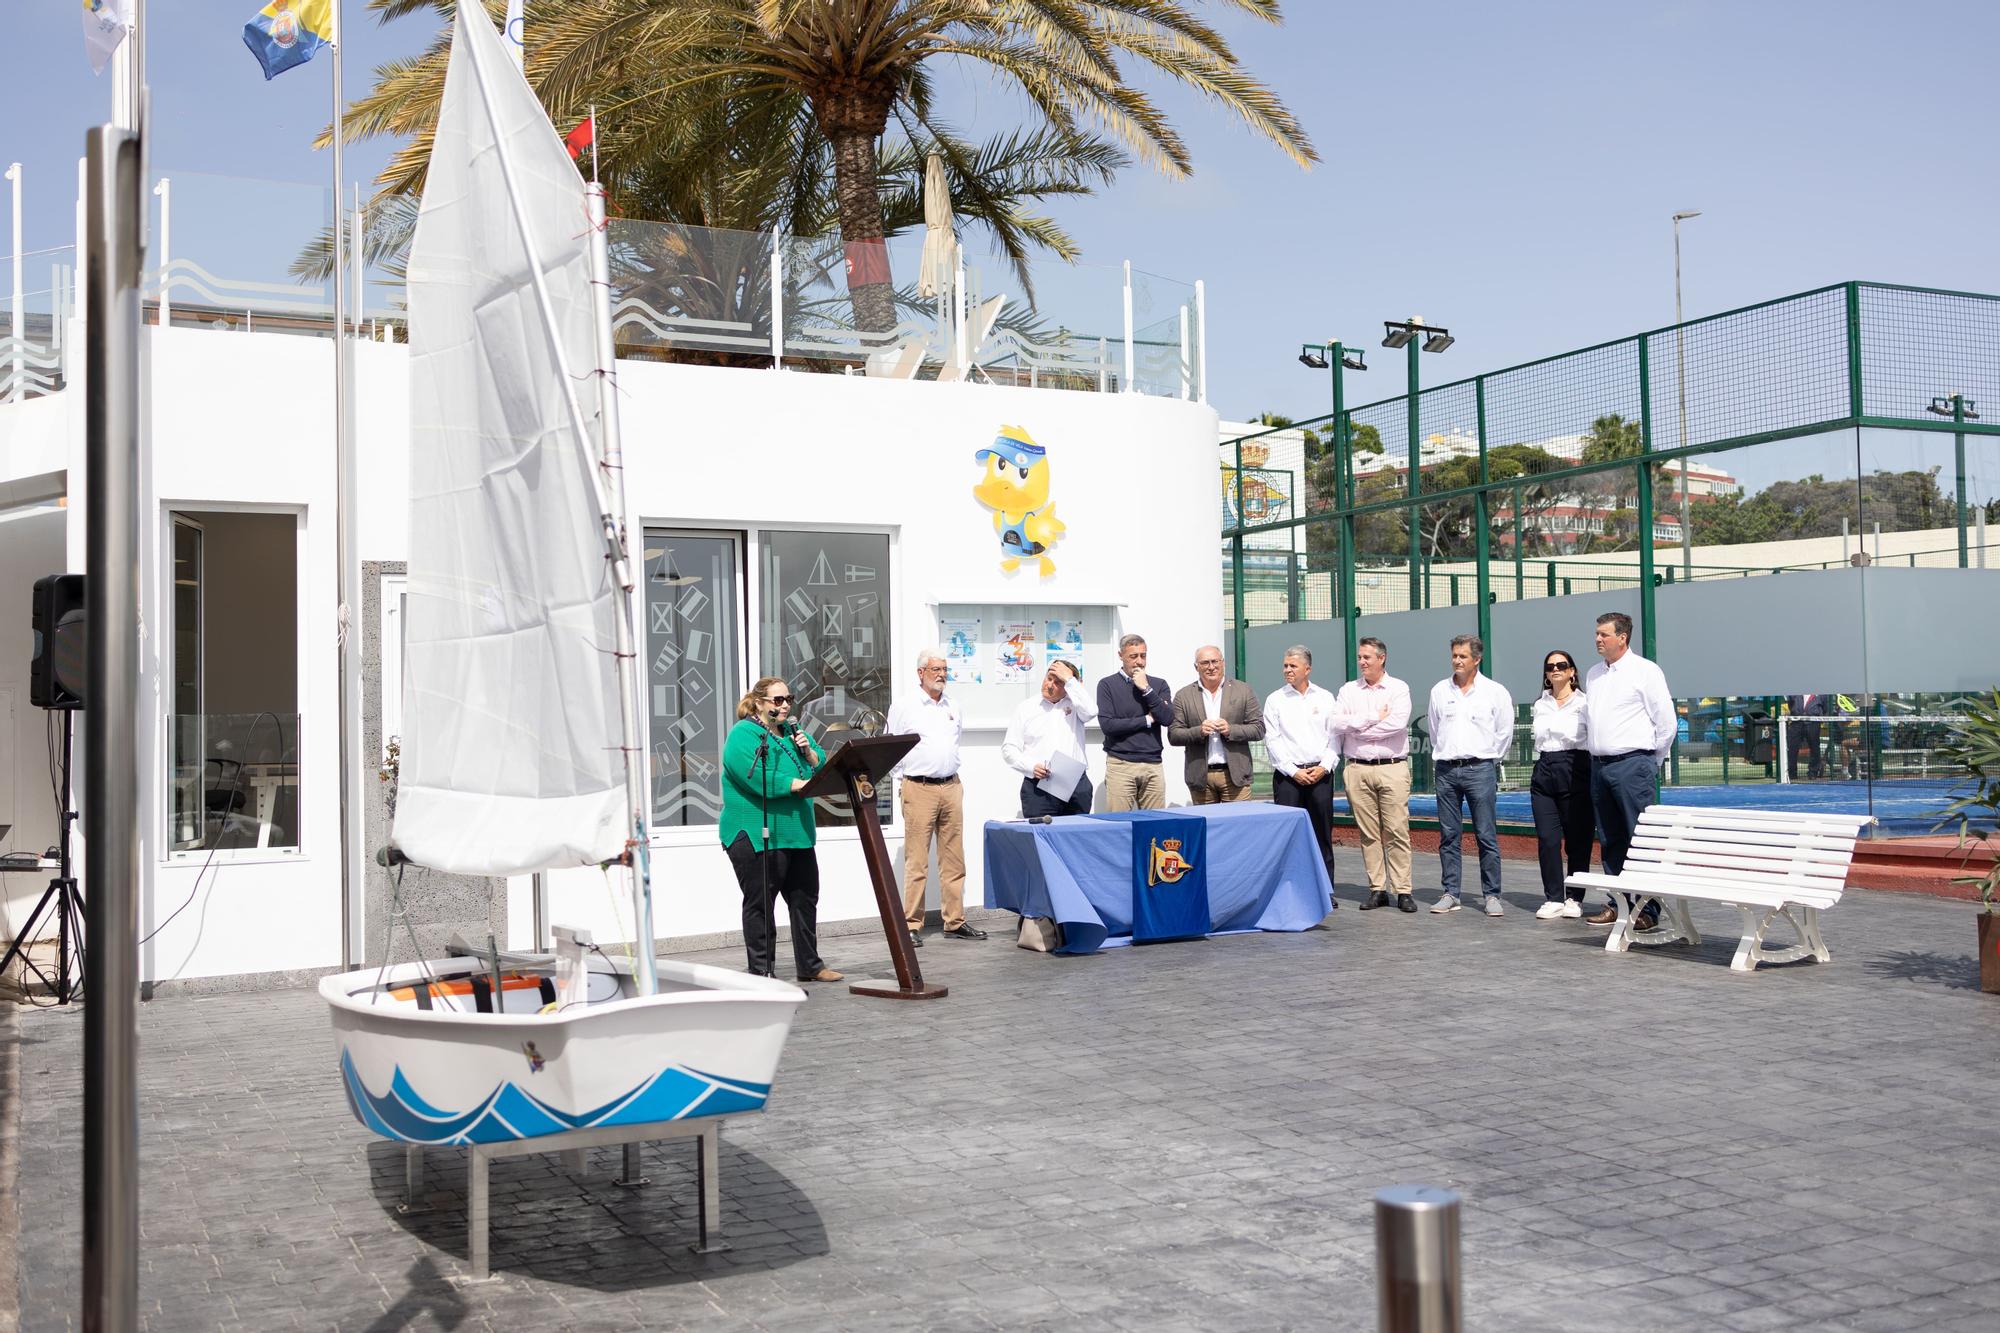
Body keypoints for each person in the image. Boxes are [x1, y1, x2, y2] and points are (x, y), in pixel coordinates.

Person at [720, 677, 842, 982]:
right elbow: (754, 777)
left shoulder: (794, 732)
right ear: (759, 702)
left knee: (805, 899)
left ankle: (810, 966)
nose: (785, 704)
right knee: (760, 904)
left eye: (789, 698)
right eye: (778, 700)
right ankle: (762, 971)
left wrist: (810, 754)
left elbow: (821, 761)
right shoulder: (744, 735)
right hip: (755, 833)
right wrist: (796, 784)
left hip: (796, 832)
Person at [1583, 612, 1677, 931]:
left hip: (1632, 766)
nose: (1597, 639)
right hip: (1600, 767)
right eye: (1596, 634)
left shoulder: (1645, 672)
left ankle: (1648, 909)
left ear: (1622, 637)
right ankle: (1619, 903)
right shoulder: (1594, 674)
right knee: (1610, 839)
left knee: (1642, 839)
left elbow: (1666, 724)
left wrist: (1649, 762)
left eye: (1603, 634)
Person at [886, 648, 985, 947]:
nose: (942, 675)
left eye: (945, 669)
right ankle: (910, 924)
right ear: (920, 673)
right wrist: (905, 782)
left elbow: (955, 741)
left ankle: (954, 921)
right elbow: (892, 748)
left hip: (951, 786)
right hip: (920, 788)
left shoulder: (953, 705)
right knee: (917, 861)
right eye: (935, 670)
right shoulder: (905, 706)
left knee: (954, 859)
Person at [1427, 634, 1514, 916]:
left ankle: (1491, 895)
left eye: (1463, 656)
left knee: (1486, 835)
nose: (1457, 661)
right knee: (1449, 835)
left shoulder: (1495, 692)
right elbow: (1434, 729)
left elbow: (1504, 733)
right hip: (1447, 771)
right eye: (1454, 655)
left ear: (1477, 659)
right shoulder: (1439, 691)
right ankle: (1451, 893)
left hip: (1480, 770)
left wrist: (1486, 758)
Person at [1335, 637, 1415, 913]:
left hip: (1391, 767)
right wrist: (1371, 717)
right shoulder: (1348, 690)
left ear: (1382, 658)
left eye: (1367, 657)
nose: (1362, 662)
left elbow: (1397, 723)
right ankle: (1377, 889)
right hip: (1357, 768)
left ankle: (1403, 890)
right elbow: (1336, 723)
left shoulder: (1398, 688)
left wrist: (1357, 726)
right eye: (1359, 657)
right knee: (1368, 833)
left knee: (1396, 830)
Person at [1263, 645, 1340, 903]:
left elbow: (1335, 737)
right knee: (1287, 836)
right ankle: (1289, 891)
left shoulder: (1326, 698)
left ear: (1307, 668)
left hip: (1320, 774)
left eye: (1292, 666)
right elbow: (1272, 741)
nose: (1287, 670)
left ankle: (1326, 891)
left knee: (1322, 835)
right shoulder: (1275, 700)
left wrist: (1324, 766)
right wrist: (1294, 771)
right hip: (1288, 778)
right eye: (1285, 665)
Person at [1530, 650, 1594, 920]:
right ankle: (1553, 897)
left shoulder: (1585, 703)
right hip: (1544, 768)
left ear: (1572, 671)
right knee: (1547, 839)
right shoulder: (1540, 704)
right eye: (1550, 666)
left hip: (1575, 766)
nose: (1555, 669)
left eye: (1561, 665)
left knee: (1578, 840)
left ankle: (1574, 897)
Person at [1003, 658, 1097, 817]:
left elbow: (1091, 712)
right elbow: (1009, 749)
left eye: (1058, 682)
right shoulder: (1026, 708)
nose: (1049, 684)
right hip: (1039, 786)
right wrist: (1031, 766)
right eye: (1049, 678)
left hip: (1075, 784)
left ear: (1068, 687)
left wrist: (1070, 679)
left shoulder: (1076, 705)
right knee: (1041, 838)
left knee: (1076, 838)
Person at [1169, 646, 1264, 803]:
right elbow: (1174, 735)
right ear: (1196, 667)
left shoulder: (1244, 690)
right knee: (1207, 825)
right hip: (1201, 778)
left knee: (1237, 825)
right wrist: (1198, 731)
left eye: (1215, 661)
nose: (1211, 667)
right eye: (1205, 663)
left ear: (1223, 663)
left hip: (1235, 776)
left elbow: (1259, 729)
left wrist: (1230, 730)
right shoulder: (1183, 696)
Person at [1096, 634, 1174, 810]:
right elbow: (1108, 726)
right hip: (1121, 764)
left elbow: (1167, 718)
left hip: (1153, 764)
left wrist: (1146, 689)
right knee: (1119, 823)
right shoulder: (1107, 685)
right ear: (1120, 655)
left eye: (1143, 655)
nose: (1139, 661)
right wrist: (1146, 719)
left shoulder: (1158, 685)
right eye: (1133, 656)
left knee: (1154, 825)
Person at [1785, 693, 1828, 780]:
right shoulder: (1794, 693)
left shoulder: (1822, 694)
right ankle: (1792, 774)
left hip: (1813, 723)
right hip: (1796, 723)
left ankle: (1813, 772)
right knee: (1792, 748)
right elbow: (1790, 704)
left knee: (1815, 748)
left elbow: (1825, 708)